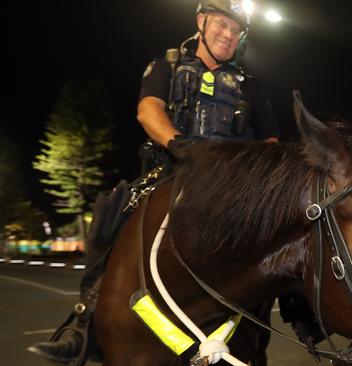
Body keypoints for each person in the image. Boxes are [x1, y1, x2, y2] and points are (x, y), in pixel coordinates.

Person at [27, 1, 280, 363]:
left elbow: (271, 139)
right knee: (110, 214)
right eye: (222, 24)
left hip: (231, 187)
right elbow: (148, 109)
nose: (228, 34)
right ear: (202, 21)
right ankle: (83, 324)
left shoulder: (250, 87)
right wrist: (178, 143)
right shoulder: (168, 66)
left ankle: (302, 317)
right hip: (171, 172)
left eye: (235, 29)